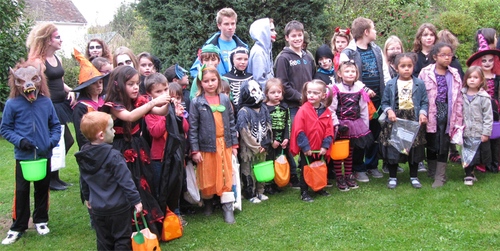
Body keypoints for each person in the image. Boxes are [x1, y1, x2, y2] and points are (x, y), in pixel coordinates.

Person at [100, 65, 170, 235]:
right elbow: (130, 117)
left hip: (139, 146)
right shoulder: (113, 105)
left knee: (144, 184)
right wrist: (153, 101)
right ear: (117, 84)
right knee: (127, 184)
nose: (135, 88)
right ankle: (129, 228)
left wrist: (167, 102)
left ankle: (147, 227)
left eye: (137, 84)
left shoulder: (138, 101)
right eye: (130, 84)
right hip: (120, 149)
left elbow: (161, 112)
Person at [1, 60, 61, 245]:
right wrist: (20, 141)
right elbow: (5, 129)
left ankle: (41, 220)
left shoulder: (46, 102)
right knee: (21, 190)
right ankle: (18, 226)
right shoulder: (12, 104)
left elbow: (56, 126)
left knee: (42, 189)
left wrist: (50, 143)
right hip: (23, 157)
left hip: (44, 155)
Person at [75, 111, 142, 250]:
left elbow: (84, 179)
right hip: (118, 207)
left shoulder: (85, 155)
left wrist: (87, 197)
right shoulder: (114, 156)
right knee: (122, 238)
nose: (113, 131)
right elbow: (125, 181)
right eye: (111, 129)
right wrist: (136, 200)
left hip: (98, 208)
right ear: (101, 135)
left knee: (104, 240)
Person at [339, 17, 390, 182]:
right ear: (366, 32)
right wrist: (365, 89)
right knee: (359, 133)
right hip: (357, 102)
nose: (376, 31)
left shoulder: (376, 49)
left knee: (375, 132)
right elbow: (347, 75)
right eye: (373, 28)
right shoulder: (348, 52)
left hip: (377, 101)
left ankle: (372, 165)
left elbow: (385, 73)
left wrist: (387, 92)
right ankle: (358, 167)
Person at [26, 22, 74, 190]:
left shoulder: (57, 59)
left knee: (64, 141)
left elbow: (60, 82)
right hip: (48, 107)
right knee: (59, 141)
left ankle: (55, 177)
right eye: (57, 37)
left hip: (61, 104)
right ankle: (50, 179)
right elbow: (32, 87)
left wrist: (73, 91)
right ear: (47, 40)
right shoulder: (37, 62)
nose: (61, 40)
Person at [189, 66, 238, 224]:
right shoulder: (197, 102)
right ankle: (208, 203)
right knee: (208, 175)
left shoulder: (224, 99)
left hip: (225, 143)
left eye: (213, 80)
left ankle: (227, 207)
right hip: (206, 146)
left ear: (218, 81)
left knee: (225, 175)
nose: (210, 84)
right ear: (200, 83)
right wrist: (195, 150)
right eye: (206, 81)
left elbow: (231, 122)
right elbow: (193, 128)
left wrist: (234, 145)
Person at [380, 53, 429, 189]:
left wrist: (423, 113)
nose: (406, 69)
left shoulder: (419, 83)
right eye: (403, 66)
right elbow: (384, 103)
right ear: (396, 68)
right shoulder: (390, 84)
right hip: (396, 119)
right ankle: (392, 177)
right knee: (394, 148)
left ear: (413, 67)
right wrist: (389, 111)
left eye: (409, 66)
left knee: (414, 148)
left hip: (413, 119)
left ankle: (414, 176)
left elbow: (425, 101)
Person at [143, 74, 187, 225]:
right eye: (158, 92)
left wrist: (180, 116)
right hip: (159, 157)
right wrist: (166, 115)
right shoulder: (150, 109)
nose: (163, 94)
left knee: (175, 185)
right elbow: (155, 132)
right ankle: (160, 216)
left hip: (175, 154)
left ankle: (176, 214)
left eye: (165, 90)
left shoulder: (172, 106)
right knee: (160, 188)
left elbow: (185, 129)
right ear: (149, 94)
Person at [418, 43, 463, 188]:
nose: (447, 58)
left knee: (444, 144)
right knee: (431, 143)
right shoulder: (425, 72)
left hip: (447, 114)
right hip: (431, 113)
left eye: (449, 55)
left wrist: (459, 118)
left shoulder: (454, 74)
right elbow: (419, 94)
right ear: (435, 56)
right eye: (443, 55)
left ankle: (440, 176)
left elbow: (459, 98)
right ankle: (431, 170)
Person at [329, 61, 373, 191]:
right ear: (340, 74)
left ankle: (348, 175)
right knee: (339, 152)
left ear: (356, 74)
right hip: (340, 124)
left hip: (355, 123)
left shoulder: (360, 90)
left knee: (350, 151)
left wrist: (364, 126)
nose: (350, 74)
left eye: (353, 71)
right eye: (347, 71)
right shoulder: (335, 89)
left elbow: (364, 108)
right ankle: (339, 177)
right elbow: (331, 108)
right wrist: (336, 124)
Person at [290, 80, 334, 202]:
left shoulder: (326, 111)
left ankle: (319, 188)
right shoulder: (303, 110)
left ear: (323, 95)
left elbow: (329, 130)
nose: (311, 95)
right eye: (309, 92)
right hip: (308, 149)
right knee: (306, 169)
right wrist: (305, 147)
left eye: (315, 93)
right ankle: (304, 191)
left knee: (319, 168)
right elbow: (299, 130)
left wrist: (325, 146)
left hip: (320, 148)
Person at [466, 33, 500, 173]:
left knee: (496, 135)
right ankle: (482, 162)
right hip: (479, 109)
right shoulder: (477, 78)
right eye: (484, 60)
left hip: (495, 108)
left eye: (490, 60)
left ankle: (495, 162)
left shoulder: (497, 77)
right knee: (482, 135)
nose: (487, 63)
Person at [237, 80, 272, 203]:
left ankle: (260, 191)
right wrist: (256, 146)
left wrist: (265, 143)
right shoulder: (244, 112)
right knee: (248, 171)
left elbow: (268, 125)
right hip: (248, 149)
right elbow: (244, 132)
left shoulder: (264, 108)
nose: (257, 93)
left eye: (259, 89)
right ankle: (250, 194)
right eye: (253, 90)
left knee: (261, 169)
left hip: (262, 146)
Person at [274, 20, 315, 123]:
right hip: (292, 108)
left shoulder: (309, 58)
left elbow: (314, 80)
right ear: (287, 38)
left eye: (299, 35)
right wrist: (300, 97)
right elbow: (282, 85)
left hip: (310, 105)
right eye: (293, 36)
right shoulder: (283, 58)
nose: (297, 39)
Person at [190, 7, 248, 78]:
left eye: (233, 24)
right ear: (219, 26)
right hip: (218, 87)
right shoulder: (210, 46)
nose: (230, 27)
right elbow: (195, 71)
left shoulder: (243, 47)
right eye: (226, 24)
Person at [264, 78, 299, 191]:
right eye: (273, 93)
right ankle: (269, 184)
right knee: (270, 160)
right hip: (271, 140)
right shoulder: (264, 107)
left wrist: (286, 138)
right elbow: (265, 126)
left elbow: (288, 123)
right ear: (267, 93)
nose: (276, 95)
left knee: (282, 159)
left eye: (279, 92)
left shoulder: (284, 106)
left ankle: (282, 180)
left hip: (282, 139)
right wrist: (271, 140)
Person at [460, 66, 493, 185]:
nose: (472, 80)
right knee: (466, 152)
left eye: (475, 77)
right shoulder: (461, 94)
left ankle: (471, 172)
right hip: (464, 130)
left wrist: (486, 132)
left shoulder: (484, 97)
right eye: (469, 77)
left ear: (481, 80)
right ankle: (468, 174)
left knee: (475, 154)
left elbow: (488, 117)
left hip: (478, 131)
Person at [72, 49, 108, 149]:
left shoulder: (104, 102)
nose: (99, 86)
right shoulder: (81, 107)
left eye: (100, 82)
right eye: (94, 84)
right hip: (90, 149)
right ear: (86, 86)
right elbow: (81, 134)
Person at [248, 17, 277, 90]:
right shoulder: (258, 52)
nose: (275, 33)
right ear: (263, 32)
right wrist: (268, 96)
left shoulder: (266, 50)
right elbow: (259, 79)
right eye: (271, 30)